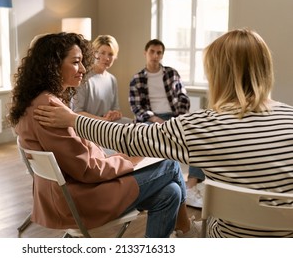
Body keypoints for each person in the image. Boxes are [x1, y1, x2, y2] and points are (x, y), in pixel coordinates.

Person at [33, 28, 293, 237]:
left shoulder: (201, 126)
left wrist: (73, 119)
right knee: (171, 190)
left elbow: (129, 137)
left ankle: (185, 228)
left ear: (219, 76)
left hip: (223, 242)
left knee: (178, 194)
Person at [8, 32, 200, 238]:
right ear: (53, 65)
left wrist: (115, 157)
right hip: (83, 200)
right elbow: (88, 169)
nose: (83, 69)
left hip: (72, 192)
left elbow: (79, 158)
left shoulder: (37, 100)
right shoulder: (49, 107)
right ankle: (187, 230)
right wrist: (128, 160)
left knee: (170, 192)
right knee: (169, 164)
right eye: (76, 62)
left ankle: (178, 233)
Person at [129, 38, 205, 208]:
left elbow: (183, 98)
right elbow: (136, 108)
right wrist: (155, 119)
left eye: (159, 53)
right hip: (149, 119)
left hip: (173, 116)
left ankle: (191, 185)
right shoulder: (137, 78)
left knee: (197, 136)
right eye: (152, 52)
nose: (155, 56)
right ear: (145, 53)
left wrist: (178, 119)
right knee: (147, 138)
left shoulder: (171, 73)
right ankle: (155, 184)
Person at [71, 35, 133, 124]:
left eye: (111, 54)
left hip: (106, 125)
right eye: (102, 53)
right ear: (94, 53)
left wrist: (116, 114)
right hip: (89, 125)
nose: (107, 58)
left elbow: (116, 109)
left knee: (135, 125)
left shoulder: (112, 79)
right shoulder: (82, 77)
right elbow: (77, 112)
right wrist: (103, 121)